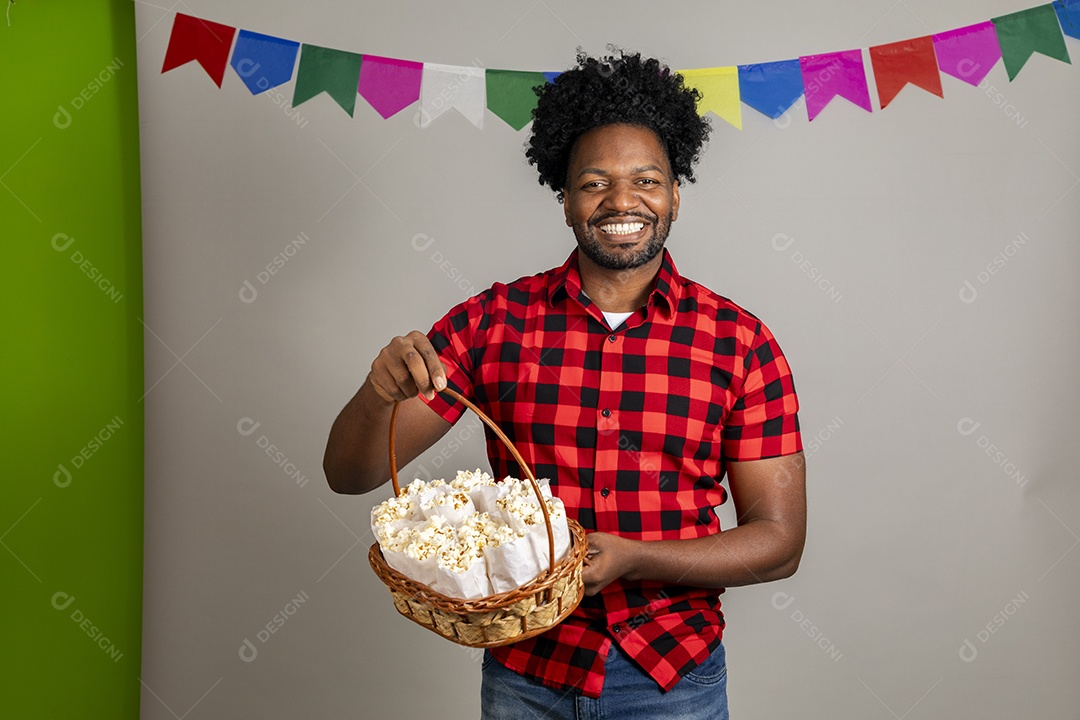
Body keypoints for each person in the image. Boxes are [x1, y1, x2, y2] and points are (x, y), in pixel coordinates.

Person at [324, 49, 806, 720]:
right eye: (593, 183)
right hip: (528, 675)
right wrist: (378, 393)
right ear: (565, 200)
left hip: (673, 677)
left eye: (646, 180)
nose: (621, 201)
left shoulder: (739, 341)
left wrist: (635, 557)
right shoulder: (493, 322)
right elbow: (351, 474)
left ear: (675, 195)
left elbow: (779, 542)